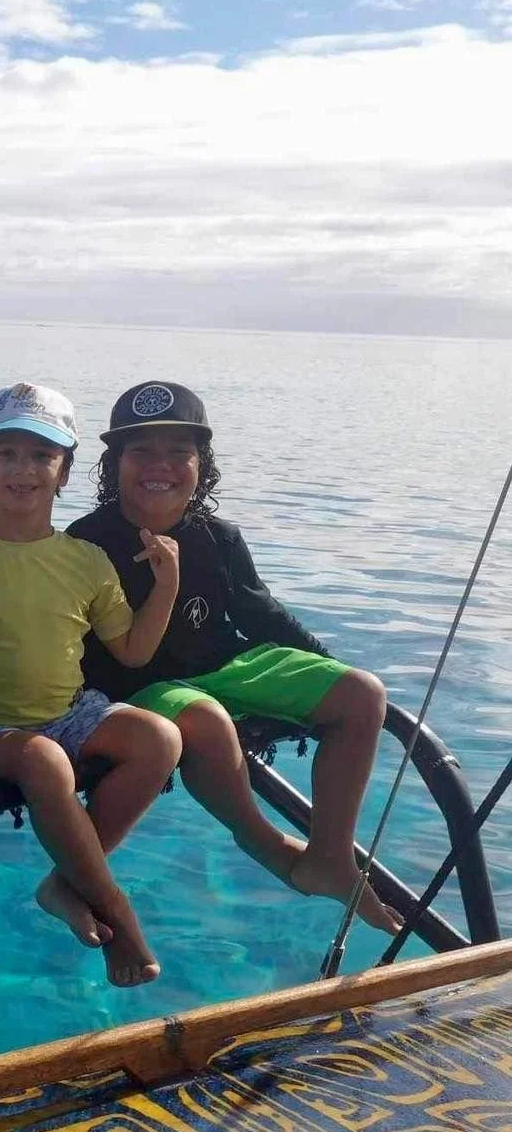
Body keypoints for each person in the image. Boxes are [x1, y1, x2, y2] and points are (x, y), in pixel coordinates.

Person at [67, 381, 402, 933]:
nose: (160, 465)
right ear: (114, 465)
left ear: (201, 465)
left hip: (226, 665)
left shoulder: (217, 538)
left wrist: (328, 667)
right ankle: (265, 843)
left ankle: (330, 855)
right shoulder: (84, 544)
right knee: (207, 719)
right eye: (141, 451)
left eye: (179, 452)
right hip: (142, 687)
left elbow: (262, 614)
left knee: (362, 693)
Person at [0, 383, 182, 989]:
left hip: (69, 715)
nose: (24, 469)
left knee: (161, 738)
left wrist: (167, 585)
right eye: (6, 455)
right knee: (44, 760)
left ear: (64, 472)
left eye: (42, 455)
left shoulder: (87, 560)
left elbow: (133, 651)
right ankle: (115, 908)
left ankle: (66, 884)